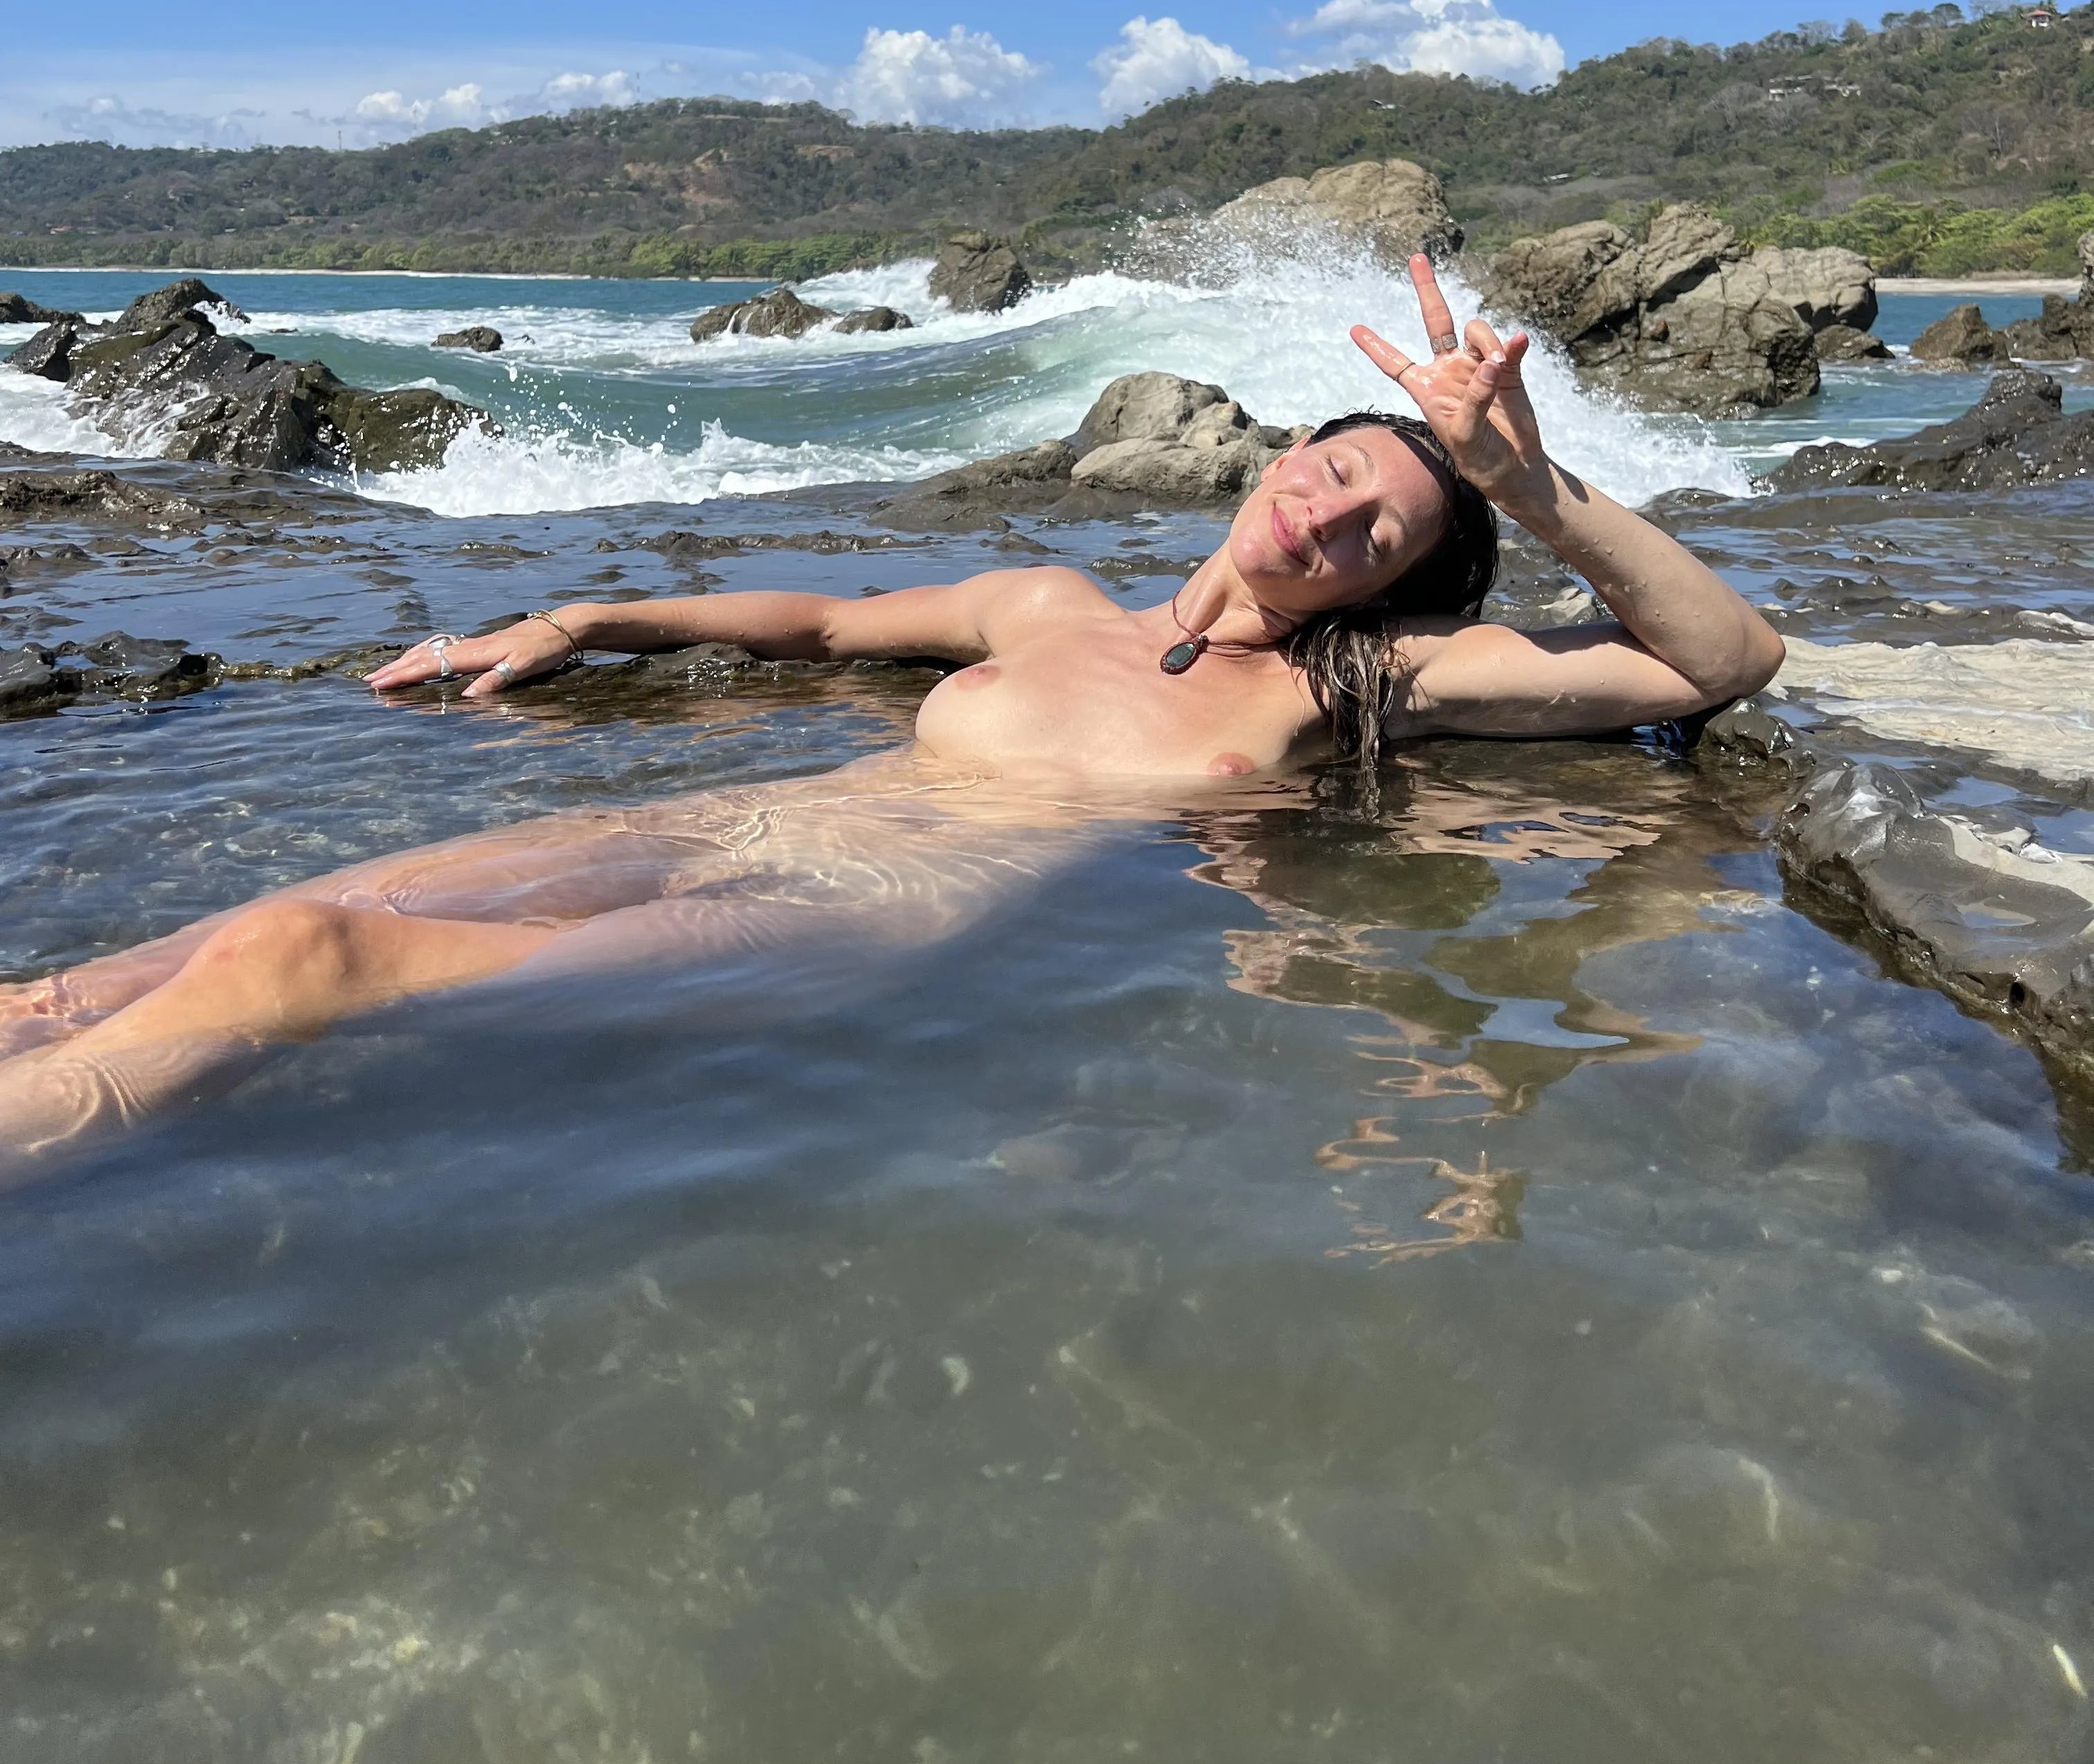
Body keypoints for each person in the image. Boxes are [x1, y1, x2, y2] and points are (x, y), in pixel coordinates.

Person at [0, 264, 1780, 1166]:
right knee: (121, 971)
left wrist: (1526, 494)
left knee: (304, 955)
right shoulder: (1049, 605)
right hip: (705, 833)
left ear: (1390, 585)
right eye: (1325, 464)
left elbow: (1720, 663)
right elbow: (824, 618)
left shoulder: (1353, 683)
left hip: (848, 914)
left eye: (1374, 524)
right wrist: (582, 614)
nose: (1319, 509)